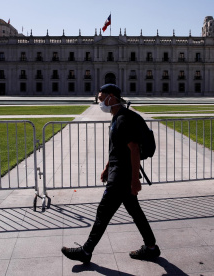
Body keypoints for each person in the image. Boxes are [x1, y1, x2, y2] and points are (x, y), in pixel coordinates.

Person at [61, 84, 160, 263]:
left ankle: (86, 250)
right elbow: (117, 147)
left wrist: (134, 180)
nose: (99, 102)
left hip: (122, 174)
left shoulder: (123, 119)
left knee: (103, 211)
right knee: (135, 211)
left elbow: (134, 149)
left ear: (111, 97)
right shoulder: (116, 117)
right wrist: (107, 166)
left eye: (100, 98)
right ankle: (151, 247)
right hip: (118, 170)